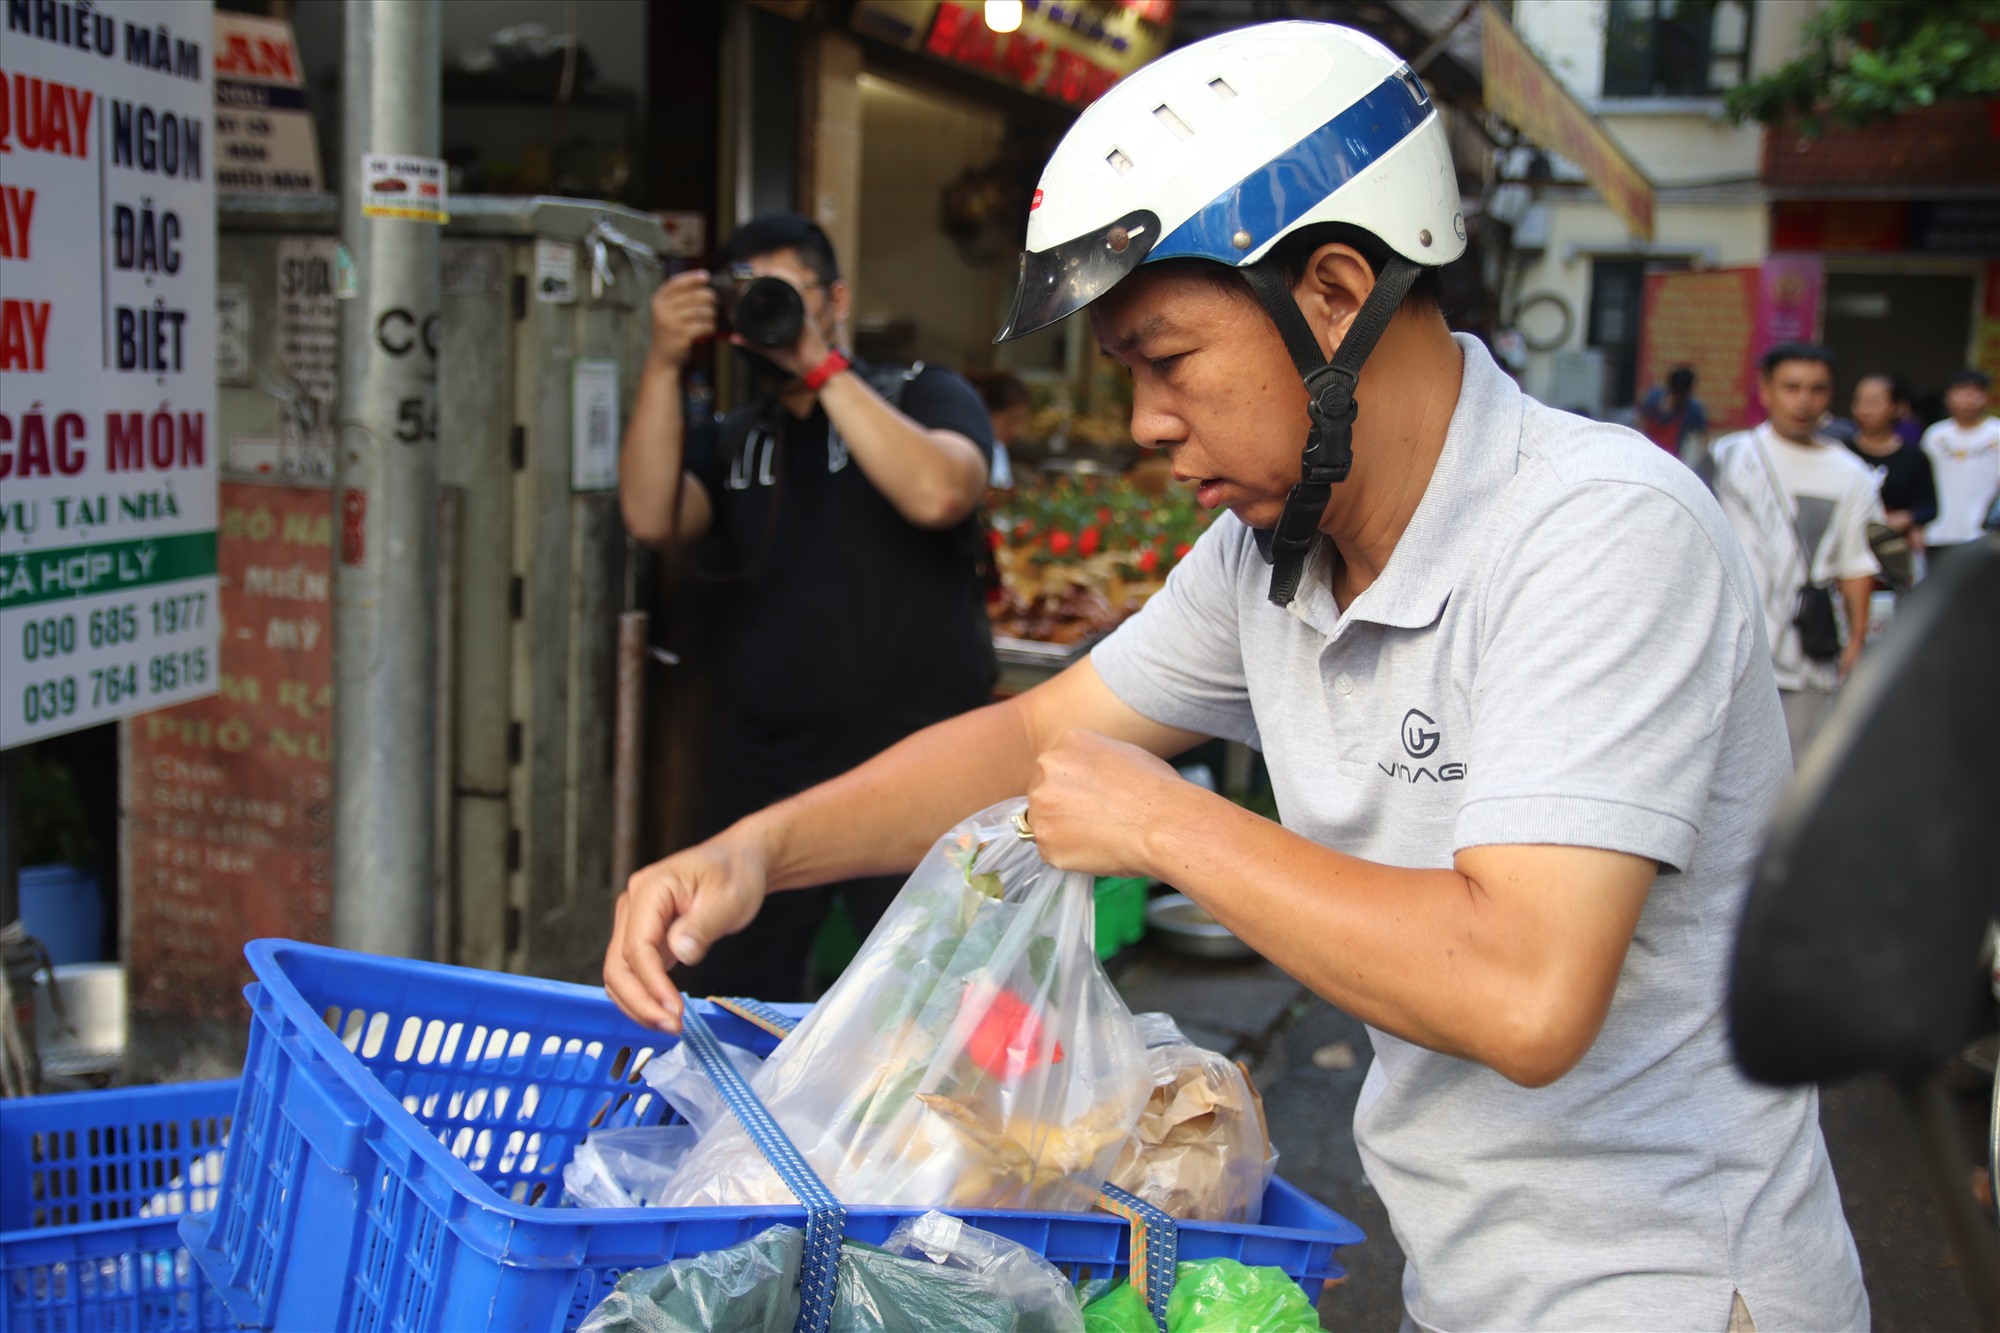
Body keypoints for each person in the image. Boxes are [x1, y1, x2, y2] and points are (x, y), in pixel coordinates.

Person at [607, 23, 1866, 1331]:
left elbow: (1527, 988)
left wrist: (1167, 820)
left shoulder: (1602, 531)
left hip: (1676, 1290)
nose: (1151, 422)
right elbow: (1038, 731)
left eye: (1170, 359)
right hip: (1468, 1279)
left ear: (1332, 290)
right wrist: (760, 849)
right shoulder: (1269, 553)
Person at [617, 213, 997, 1001]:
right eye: (750, 298)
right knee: (729, 999)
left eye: (785, 294)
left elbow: (940, 492)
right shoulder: (733, 435)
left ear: (836, 298)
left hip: (923, 766)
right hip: (772, 765)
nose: (770, 314)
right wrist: (662, 361)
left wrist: (820, 368)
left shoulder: (924, 391)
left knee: (946, 1011)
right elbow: (654, 518)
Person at [1709, 345, 1882, 760]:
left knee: (1792, 780)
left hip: (1808, 659)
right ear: (1766, 390)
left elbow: (1856, 562)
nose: (1804, 400)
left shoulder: (1852, 474)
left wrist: (1857, 641)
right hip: (1728, 652)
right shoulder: (1727, 458)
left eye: (1817, 389)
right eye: (1792, 387)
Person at [1843, 373, 1937, 557]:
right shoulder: (1841, 452)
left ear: (1896, 407)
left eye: (1874, 403)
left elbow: (1930, 507)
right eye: (1859, 402)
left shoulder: (1914, 456)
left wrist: (1907, 518)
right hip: (1848, 544)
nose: (1864, 410)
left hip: (1894, 549)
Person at [1920, 368, 2000, 573]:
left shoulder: (1996, 433)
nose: (1969, 399)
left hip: (1983, 534)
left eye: (1976, 392)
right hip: (1937, 532)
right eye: (1963, 391)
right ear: (1949, 397)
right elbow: (1921, 483)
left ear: (1986, 397)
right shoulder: (1935, 436)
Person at [971, 369, 1032, 489]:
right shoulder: (971, 450)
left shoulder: (998, 448)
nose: (1016, 431)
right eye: (1009, 422)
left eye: (1019, 422)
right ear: (985, 412)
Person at [1634, 364, 1708, 461]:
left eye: (1681, 397)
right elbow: (1639, 422)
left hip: (1672, 459)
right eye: (1675, 395)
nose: (1676, 399)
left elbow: (1702, 438)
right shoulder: (1652, 398)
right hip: (1646, 453)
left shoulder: (1693, 410)